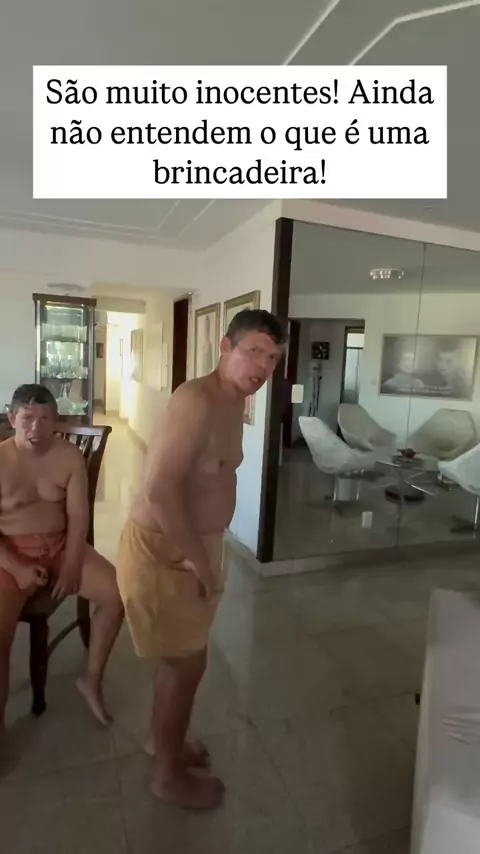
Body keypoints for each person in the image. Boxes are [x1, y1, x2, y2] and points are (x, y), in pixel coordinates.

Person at [116, 308, 286, 810]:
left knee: (180, 661)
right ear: (225, 348)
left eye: (273, 358)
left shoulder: (233, 401)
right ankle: (166, 776)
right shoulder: (196, 401)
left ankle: (160, 741)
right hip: (166, 553)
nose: (263, 366)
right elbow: (159, 489)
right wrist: (201, 562)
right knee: (186, 665)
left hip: (192, 548)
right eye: (254, 351)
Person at [0, 384, 124, 731]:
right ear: (12, 418)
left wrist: (70, 564)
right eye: (27, 418)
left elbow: (79, 516)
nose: (36, 428)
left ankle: (91, 679)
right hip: (9, 555)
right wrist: (17, 567)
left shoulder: (69, 456)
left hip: (59, 545)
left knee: (117, 594)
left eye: (45, 419)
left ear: (55, 420)